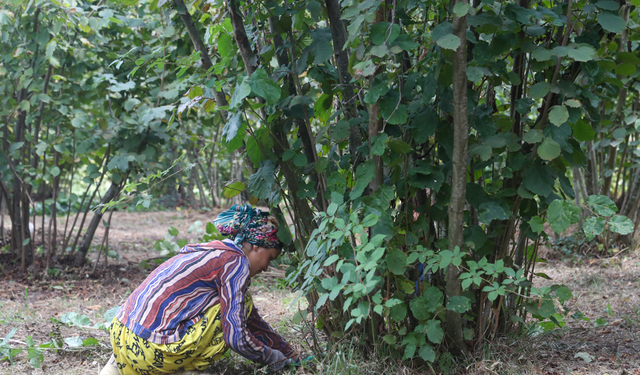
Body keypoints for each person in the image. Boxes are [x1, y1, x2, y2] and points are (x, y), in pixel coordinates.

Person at [100, 204, 299, 375]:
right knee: (238, 307)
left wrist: (287, 351)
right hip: (150, 350)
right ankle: (186, 370)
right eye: (270, 258)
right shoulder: (235, 262)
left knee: (236, 306)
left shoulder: (213, 251)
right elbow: (236, 337)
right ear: (256, 246)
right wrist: (273, 358)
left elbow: (252, 321)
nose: (266, 268)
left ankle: (116, 368)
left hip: (122, 336)